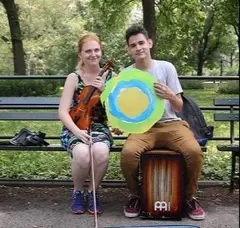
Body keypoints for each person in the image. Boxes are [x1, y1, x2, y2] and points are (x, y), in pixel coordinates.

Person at [120, 25, 205, 220]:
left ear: (149, 43)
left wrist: (169, 95)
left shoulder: (166, 67)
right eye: (133, 45)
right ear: (129, 49)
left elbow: (178, 107)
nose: (138, 48)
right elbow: (126, 109)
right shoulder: (126, 74)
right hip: (143, 128)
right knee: (128, 154)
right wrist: (121, 123)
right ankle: (135, 196)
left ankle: (188, 198)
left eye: (141, 43)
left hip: (172, 125)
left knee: (194, 152)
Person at [58, 34, 116, 215]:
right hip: (74, 126)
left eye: (96, 50)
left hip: (99, 127)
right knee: (82, 154)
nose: (93, 54)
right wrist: (76, 132)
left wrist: (105, 91)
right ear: (80, 55)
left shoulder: (112, 77)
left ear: (101, 51)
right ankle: (77, 191)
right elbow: (62, 112)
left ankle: (92, 191)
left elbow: (117, 110)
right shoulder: (74, 78)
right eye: (88, 51)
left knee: (100, 152)